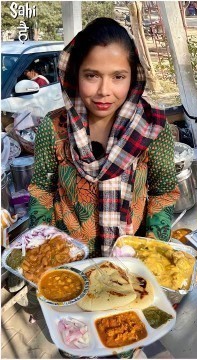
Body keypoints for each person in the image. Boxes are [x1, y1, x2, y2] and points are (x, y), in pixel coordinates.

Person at [29, 18, 179, 258]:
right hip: (68, 259)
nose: (104, 91)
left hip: (129, 260)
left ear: (134, 77)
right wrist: (42, 250)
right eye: (92, 76)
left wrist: (151, 249)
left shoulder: (151, 129)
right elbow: (42, 191)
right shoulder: (54, 127)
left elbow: (163, 193)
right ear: (75, 74)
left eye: (118, 77)